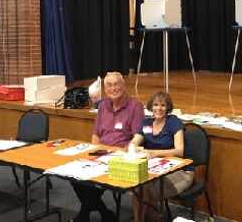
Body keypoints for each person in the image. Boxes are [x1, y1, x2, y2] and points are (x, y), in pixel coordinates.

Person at [71, 71, 144, 222]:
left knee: (93, 182)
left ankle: (84, 215)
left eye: (117, 84)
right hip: (100, 153)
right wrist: (92, 152)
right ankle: (105, 213)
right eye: (109, 85)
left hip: (119, 156)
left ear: (123, 85)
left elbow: (138, 135)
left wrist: (126, 150)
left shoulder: (135, 106)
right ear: (105, 89)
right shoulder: (103, 105)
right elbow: (96, 134)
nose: (113, 88)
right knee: (74, 176)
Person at [130, 91, 194, 222]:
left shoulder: (173, 122)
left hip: (180, 172)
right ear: (151, 106)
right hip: (156, 170)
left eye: (163, 105)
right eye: (155, 105)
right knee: (140, 187)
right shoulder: (146, 123)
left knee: (144, 190)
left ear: (168, 107)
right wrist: (134, 148)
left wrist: (153, 153)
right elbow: (134, 142)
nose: (159, 108)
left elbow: (179, 151)